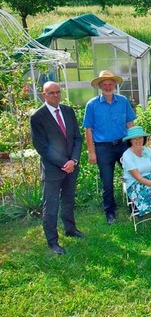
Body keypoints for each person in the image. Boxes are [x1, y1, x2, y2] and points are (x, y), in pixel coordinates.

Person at [30, 81, 83, 255]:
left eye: (58, 92)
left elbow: (77, 138)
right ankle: (53, 242)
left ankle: (70, 229)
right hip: (53, 170)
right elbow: (42, 147)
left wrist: (73, 160)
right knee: (51, 206)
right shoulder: (37, 117)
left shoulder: (68, 111)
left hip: (71, 166)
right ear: (44, 95)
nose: (55, 95)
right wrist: (63, 163)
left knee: (68, 200)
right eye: (51, 93)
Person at [83, 70, 136, 224]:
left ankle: (135, 206)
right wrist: (91, 152)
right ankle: (110, 212)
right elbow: (88, 129)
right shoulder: (92, 105)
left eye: (110, 84)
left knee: (133, 175)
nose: (107, 87)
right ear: (100, 86)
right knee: (107, 181)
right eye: (104, 84)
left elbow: (130, 123)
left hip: (123, 145)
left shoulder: (123, 101)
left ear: (114, 85)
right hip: (103, 148)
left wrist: (134, 145)